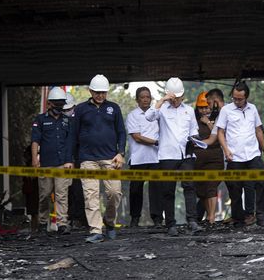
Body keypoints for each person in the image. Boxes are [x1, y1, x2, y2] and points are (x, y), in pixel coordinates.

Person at [69, 74, 126, 243]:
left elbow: (121, 132)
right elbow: (73, 135)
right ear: (90, 91)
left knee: (115, 193)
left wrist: (120, 153)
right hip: (87, 159)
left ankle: (109, 222)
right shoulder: (80, 109)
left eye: (103, 92)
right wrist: (70, 159)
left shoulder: (114, 108)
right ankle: (96, 230)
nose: (100, 95)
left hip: (111, 158)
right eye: (97, 92)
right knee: (91, 195)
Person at [145, 77, 201, 236]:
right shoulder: (161, 109)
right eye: (174, 97)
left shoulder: (189, 110)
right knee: (168, 190)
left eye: (179, 97)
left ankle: (192, 221)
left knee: (189, 186)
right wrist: (162, 100)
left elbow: (194, 131)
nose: (176, 100)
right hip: (167, 155)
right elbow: (149, 117)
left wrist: (195, 141)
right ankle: (170, 224)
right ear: (169, 95)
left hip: (186, 154)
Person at [216, 81, 264, 228]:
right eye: (234, 98)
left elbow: (258, 130)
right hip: (234, 156)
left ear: (246, 97)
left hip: (253, 155)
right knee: (235, 189)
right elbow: (220, 132)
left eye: (239, 99)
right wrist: (226, 150)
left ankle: (262, 218)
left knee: (260, 184)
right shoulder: (226, 110)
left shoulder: (252, 109)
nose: (236, 101)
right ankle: (239, 219)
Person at [206, 88, 256, 226]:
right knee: (233, 186)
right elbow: (213, 137)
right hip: (226, 158)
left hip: (240, 155)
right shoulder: (221, 114)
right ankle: (237, 215)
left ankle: (248, 214)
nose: (208, 107)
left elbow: (218, 134)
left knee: (247, 184)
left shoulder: (233, 111)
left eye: (209, 103)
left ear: (216, 101)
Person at [31, 87, 74, 235]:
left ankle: (62, 223)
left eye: (61, 104)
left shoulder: (67, 121)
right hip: (45, 164)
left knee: (62, 195)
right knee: (44, 194)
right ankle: (43, 222)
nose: (58, 107)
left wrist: (70, 161)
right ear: (49, 103)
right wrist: (34, 159)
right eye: (56, 104)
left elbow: (70, 143)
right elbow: (35, 140)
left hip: (62, 163)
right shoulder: (40, 119)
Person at [126, 87, 163, 228]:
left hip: (155, 158)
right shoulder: (132, 115)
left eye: (148, 97)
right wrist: (155, 142)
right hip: (138, 158)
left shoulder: (157, 114)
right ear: (137, 100)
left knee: (157, 189)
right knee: (135, 190)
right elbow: (137, 137)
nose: (146, 99)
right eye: (142, 97)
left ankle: (158, 219)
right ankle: (135, 219)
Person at [193, 91, 224, 226]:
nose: (204, 110)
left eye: (206, 107)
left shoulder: (220, 117)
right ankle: (208, 216)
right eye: (201, 108)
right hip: (198, 160)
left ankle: (211, 217)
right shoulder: (193, 120)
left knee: (211, 186)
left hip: (214, 158)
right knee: (201, 189)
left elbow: (220, 135)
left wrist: (208, 123)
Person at [62, 93, 87, 229]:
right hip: (63, 161)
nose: (66, 112)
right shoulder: (59, 122)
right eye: (64, 110)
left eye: (69, 109)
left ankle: (80, 219)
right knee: (66, 192)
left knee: (79, 191)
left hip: (78, 160)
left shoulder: (80, 120)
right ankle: (69, 219)